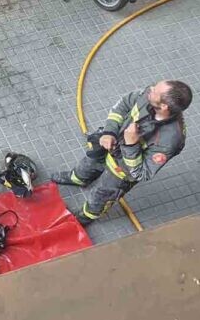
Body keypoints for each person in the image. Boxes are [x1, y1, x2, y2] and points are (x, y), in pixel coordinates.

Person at [52, 80, 192, 225]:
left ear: (164, 106)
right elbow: (123, 105)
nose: (150, 88)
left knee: (102, 196)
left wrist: (131, 144)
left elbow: (142, 173)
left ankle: (87, 216)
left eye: (155, 91)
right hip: (108, 143)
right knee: (88, 163)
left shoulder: (171, 140)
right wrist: (109, 132)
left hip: (121, 171)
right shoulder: (147, 95)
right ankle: (78, 178)